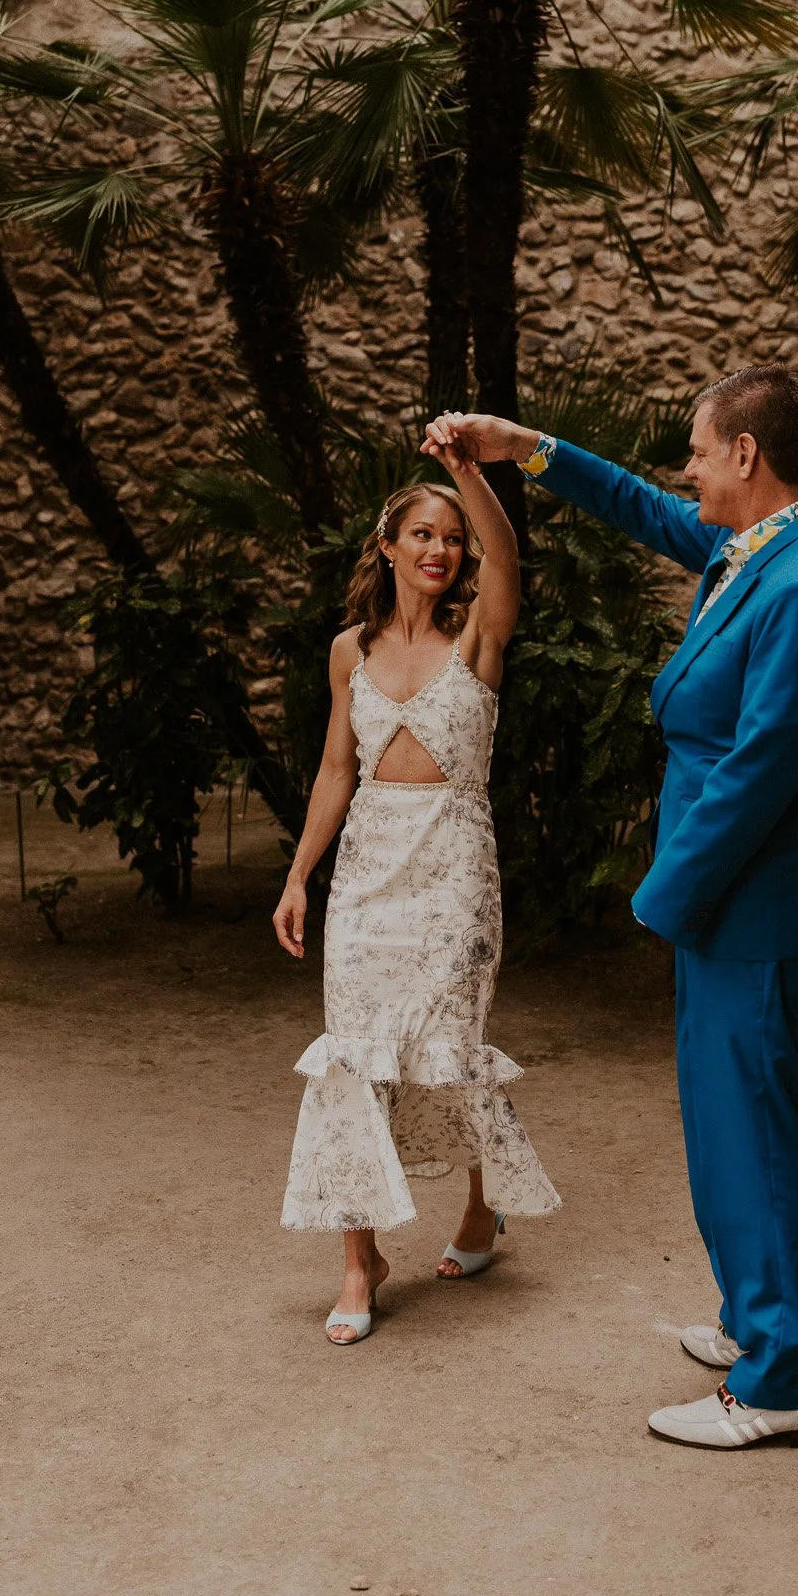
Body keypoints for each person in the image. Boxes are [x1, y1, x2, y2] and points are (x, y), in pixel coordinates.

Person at [426, 365, 798, 1447]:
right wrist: (523, 445)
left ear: (745, 457)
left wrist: (661, 894)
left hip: (748, 899)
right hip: (730, 896)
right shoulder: (758, 542)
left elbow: (762, 768)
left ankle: (780, 1379)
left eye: (697, 447)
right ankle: (748, 1317)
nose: (686, 466)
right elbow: (646, 507)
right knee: (726, 1127)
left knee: (750, 1132)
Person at [275, 448, 560, 1344]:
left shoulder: (477, 635)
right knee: (351, 1059)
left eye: (450, 539)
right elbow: (333, 769)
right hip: (366, 874)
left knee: (448, 1046)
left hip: (453, 873)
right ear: (388, 545)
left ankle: (479, 1214)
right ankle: (360, 1262)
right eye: (421, 535)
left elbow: (506, 560)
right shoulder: (346, 652)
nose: (438, 549)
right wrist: (298, 875)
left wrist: (465, 471)